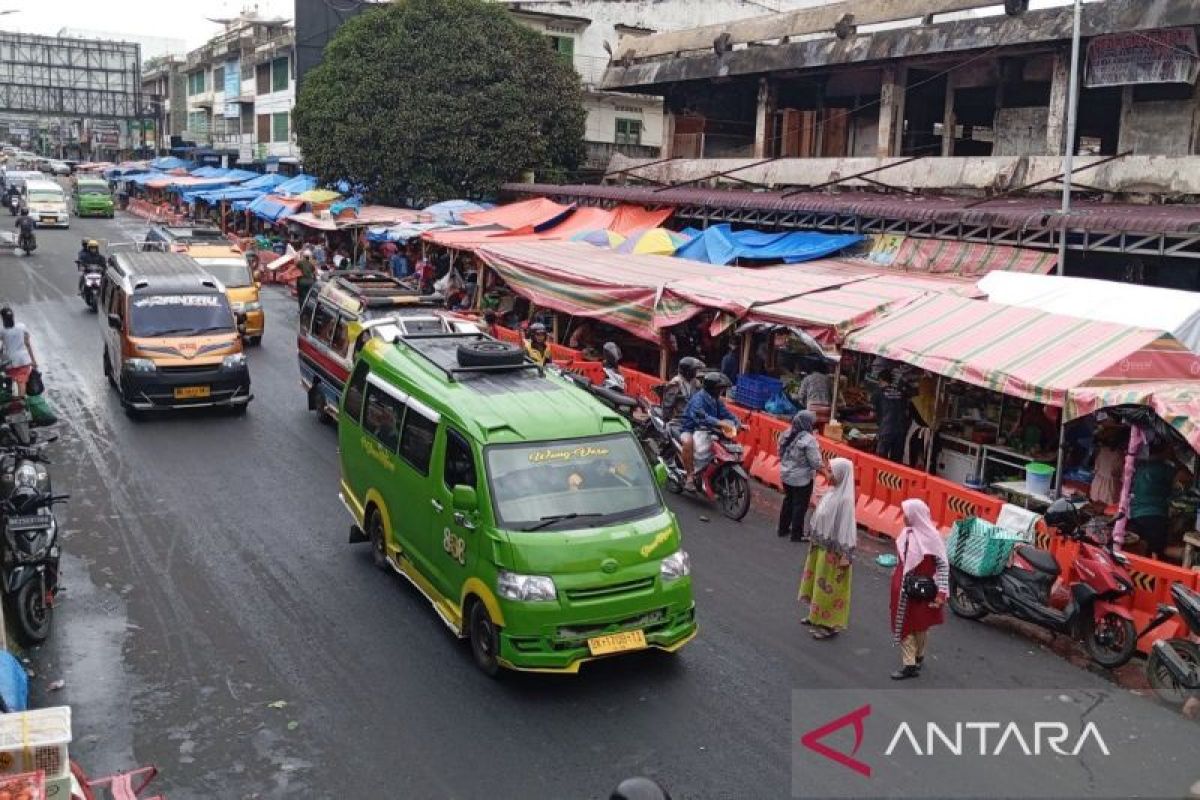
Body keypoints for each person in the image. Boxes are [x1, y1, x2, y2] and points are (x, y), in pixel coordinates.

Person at [890, 498, 949, 680]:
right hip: (903, 589)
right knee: (909, 624)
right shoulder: (906, 534)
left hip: (922, 591)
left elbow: (943, 566)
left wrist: (941, 593)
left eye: (907, 513)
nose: (904, 517)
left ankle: (911, 665)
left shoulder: (932, 538)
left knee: (917, 625)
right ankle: (914, 659)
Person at [799, 457, 857, 638]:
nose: (828, 474)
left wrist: (845, 556)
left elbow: (846, 530)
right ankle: (815, 614)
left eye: (831, 472)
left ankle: (829, 625)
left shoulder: (845, 501)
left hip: (834, 553)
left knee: (830, 587)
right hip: (821, 547)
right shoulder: (832, 492)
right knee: (817, 582)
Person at [680, 372, 738, 491]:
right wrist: (719, 422)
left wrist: (739, 423)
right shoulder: (698, 399)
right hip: (690, 428)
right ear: (713, 389)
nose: (721, 392)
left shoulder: (716, 400)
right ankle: (690, 477)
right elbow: (701, 417)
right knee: (688, 442)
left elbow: (727, 414)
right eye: (720, 389)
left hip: (707, 430)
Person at [1128, 440, 1184, 558]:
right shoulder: (1165, 469)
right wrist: (1174, 459)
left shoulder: (1139, 465)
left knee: (1143, 548)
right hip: (1155, 516)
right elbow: (1185, 476)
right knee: (1158, 550)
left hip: (1135, 513)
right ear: (1166, 450)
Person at [778, 410, 828, 542]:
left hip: (786, 474)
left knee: (788, 500)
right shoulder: (809, 440)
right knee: (800, 505)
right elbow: (816, 462)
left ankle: (782, 528)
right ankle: (797, 534)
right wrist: (827, 473)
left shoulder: (786, 433)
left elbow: (780, 452)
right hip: (802, 478)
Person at [873, 369, 912, 463]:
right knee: (896, 461)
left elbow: (873, 414)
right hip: (900, 431)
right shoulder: (901, 393)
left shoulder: (878, 393)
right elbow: (906, 410)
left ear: (881, 380)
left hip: (886, 430)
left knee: (880, 461)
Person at [0, 306, 36, 391]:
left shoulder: (2, 331)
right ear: (13, 316)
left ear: (2, 318)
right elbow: (27, 343)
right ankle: (21, 401)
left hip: (9, 361)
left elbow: (4, 344)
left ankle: (12, 400)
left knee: (10, 382)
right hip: (23, 360)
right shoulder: (22, 326)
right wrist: (33, 360)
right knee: (21, 382)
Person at [660, 356, 704, 424]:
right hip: (678, 420)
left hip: (693, 418)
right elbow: (667, 406)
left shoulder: (695, 382)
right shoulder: (676, 383)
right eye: (694, 370)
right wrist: (667, 422)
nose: (696, 372)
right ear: (688, 371)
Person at [794, 361, 833, 429]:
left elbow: (800, 396)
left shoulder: (807, 378)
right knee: (822, 431)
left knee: (810, 430)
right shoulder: (828, 380)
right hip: (826, 411)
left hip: (812, 409)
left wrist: (804, 404)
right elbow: (834, 396)